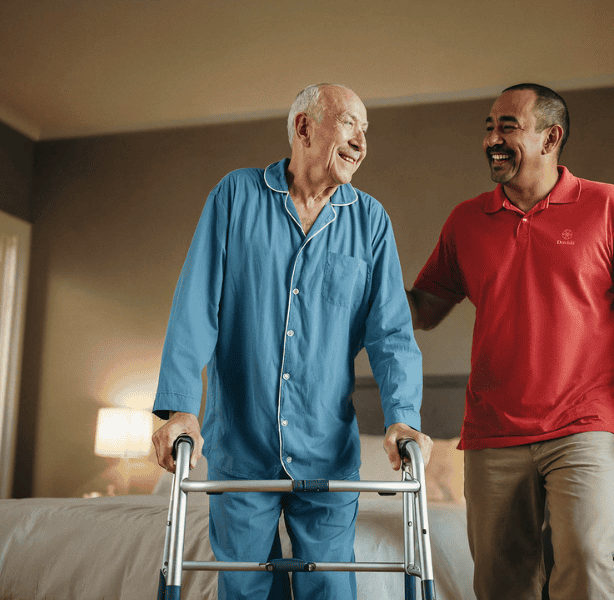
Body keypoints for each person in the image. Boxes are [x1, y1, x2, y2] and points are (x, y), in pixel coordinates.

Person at [150, 83, 433, 600]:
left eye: (366, 130)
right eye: (349, 123)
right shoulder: (236, 196)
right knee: (244, 590)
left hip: (327, 450)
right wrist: (180, 410)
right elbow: (195, 306)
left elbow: (392, 333)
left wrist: (403, 418)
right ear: (304, 126)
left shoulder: (369, 220)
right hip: (241, 446)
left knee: (329, 588)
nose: (362, 141)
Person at [408, 83, 614, 600]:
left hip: (585, 428)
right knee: (502, 585)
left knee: (588, 566)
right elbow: (424, 310)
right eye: (488, 127)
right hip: (492, 433)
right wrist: (355, 289)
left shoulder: (607, 205)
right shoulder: (467, 221)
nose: (492, 139)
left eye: (507, 126)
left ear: (551, 137)